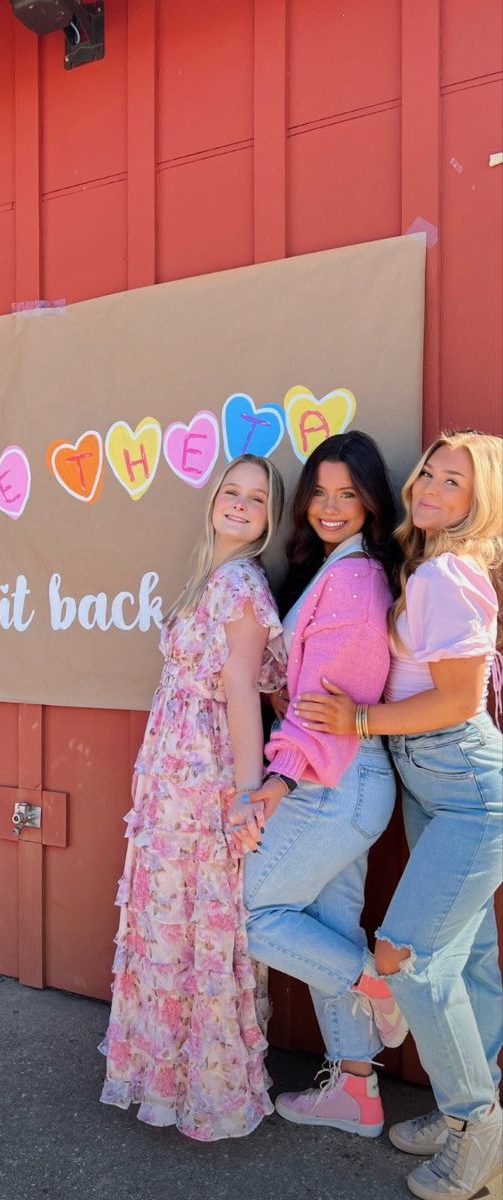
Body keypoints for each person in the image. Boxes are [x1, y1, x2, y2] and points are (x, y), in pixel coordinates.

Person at [294, 430, 503, 1200]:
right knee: (467, 959)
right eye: (430, 473)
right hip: (434, 783)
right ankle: (467, 1124)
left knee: (407, 959)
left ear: (478, 503)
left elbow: (454, 697)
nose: (433, 489)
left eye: (456, 482)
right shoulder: (422, 563)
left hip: (464, 784)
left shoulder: (450, 571)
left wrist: (357, 722)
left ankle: (479, 1132)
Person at [100, 452, 287, 1141]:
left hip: (203, 777)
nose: (239, 504)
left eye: (256, 499)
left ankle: (204, 1086)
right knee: (170, 919)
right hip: (172, 775)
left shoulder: (239, 584)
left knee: (196, 921)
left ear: (270, 518)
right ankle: (167, 1078)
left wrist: (245, 795)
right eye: (231, 491)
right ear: (213, 499)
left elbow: (243, 689)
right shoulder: (210, 576)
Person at [231, 430, 406, 1139]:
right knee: (326, 928)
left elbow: (333, 699)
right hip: (341, 782)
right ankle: (357, 1090)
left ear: (370, 501)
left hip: (336, 783)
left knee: (247, 914)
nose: (332, 508)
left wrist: (278, 780)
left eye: (349, 495)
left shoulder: (357, 577)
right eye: (321, 494)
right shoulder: (337, 565)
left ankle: (377, 982)